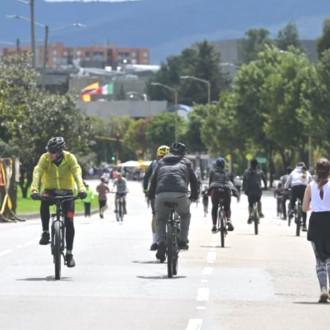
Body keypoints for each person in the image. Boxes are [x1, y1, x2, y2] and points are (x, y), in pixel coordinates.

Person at [30, 137, 86, 268]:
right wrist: (34, 189)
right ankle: (45, 232)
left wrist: (82, 188)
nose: (50, 154)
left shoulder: (69, 158)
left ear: (60, 151)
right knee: (43, 202)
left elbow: (77, 172)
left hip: (68, 192)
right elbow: (37, 172)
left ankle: (69, 253)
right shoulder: (44, 158)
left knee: (69, 221)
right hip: (50, 191)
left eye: (53, 151)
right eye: (49, 151)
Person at [148, 142, 199, 262]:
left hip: (161, 194)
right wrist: (194, 196)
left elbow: (153, 181)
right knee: (185, 215)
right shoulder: (186, 162)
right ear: (183, 153)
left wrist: (151, 196)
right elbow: (194, 181)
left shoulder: (160, 162)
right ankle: (182, 241)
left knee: (160, 219)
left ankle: (160, 242)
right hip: (180, 194)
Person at [303, 158, 330, 303]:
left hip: (316, 223)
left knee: (319, 259)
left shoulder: (310, 186)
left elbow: (304, 208)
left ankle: (323, 289)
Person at [143, 145, 170, 250]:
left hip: (156, 194)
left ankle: (154, 241)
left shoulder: (154, 164)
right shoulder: (175, 163)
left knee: (155, 216)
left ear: (158, 155)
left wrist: (145, 190)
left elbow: (146, 178)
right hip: (172, 193)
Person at [208, 157, 237, 233]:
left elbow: (210, 183)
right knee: (227, 207)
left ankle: (214, 225)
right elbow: (232, 184)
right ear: (224, 165)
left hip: (215, 191)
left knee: (214, 207)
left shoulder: (212, 172)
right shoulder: (228, 173)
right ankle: (228, 220)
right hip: (226, 191)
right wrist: (235, 193)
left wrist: (209, 192)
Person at [286, 162, 312, 231]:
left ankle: (291, 210)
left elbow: (288, 181)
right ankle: (304, 225)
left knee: (292, 199)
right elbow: (311, 181)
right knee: (304, 207)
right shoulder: (307, 172)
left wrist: (285, 187)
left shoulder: (293, 171)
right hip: (304, 188)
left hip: (295, 188)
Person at [242, 158, 267, 223]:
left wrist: (244, 189)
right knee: (258, 201)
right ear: (257, 164)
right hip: (258, 190)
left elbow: (244, 181)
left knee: (250, 204)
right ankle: (260, 212)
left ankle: (250, 215)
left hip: (249, 191)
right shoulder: (260, 171)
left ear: (250, 164)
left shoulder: (246, 171)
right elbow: (264, 180)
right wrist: (265, 187)